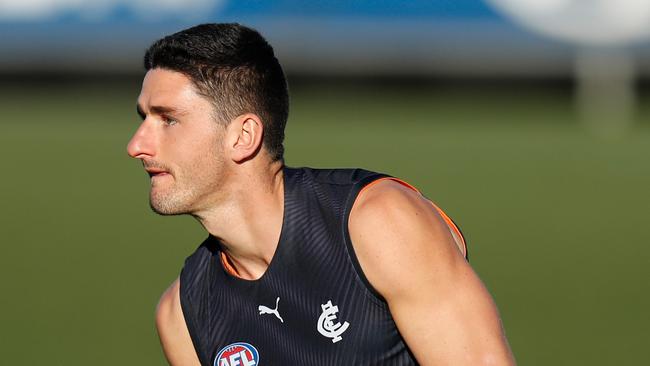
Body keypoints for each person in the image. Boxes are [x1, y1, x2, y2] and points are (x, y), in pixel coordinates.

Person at [127, 23, 515, 366]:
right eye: (144, 119)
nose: (137, 144)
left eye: (168, 119)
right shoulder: (183, 314)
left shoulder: (379, 222)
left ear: (242, 137)